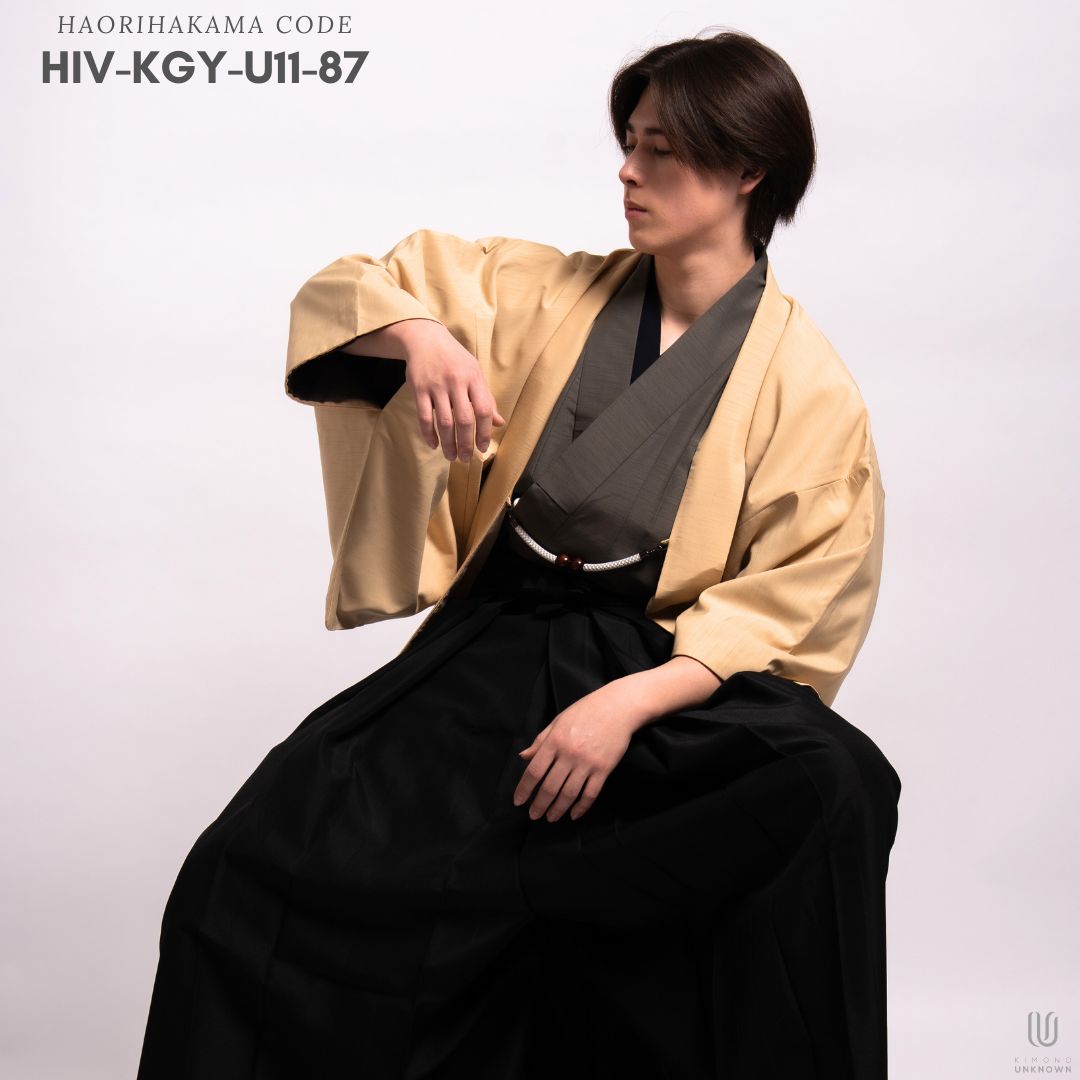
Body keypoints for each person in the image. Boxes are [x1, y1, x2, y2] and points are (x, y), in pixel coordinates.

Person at [136, 29, 901, 1080]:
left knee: (834, 781)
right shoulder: (542, 290)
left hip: (654, 668)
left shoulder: (808, 383)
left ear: (747, 171)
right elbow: (351, 287)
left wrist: (622, 708)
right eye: (629, 143)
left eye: (663, 150)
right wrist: (421, 338)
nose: (628, 171)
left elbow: (796, 591)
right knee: (255, 867)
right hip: (492, 643)